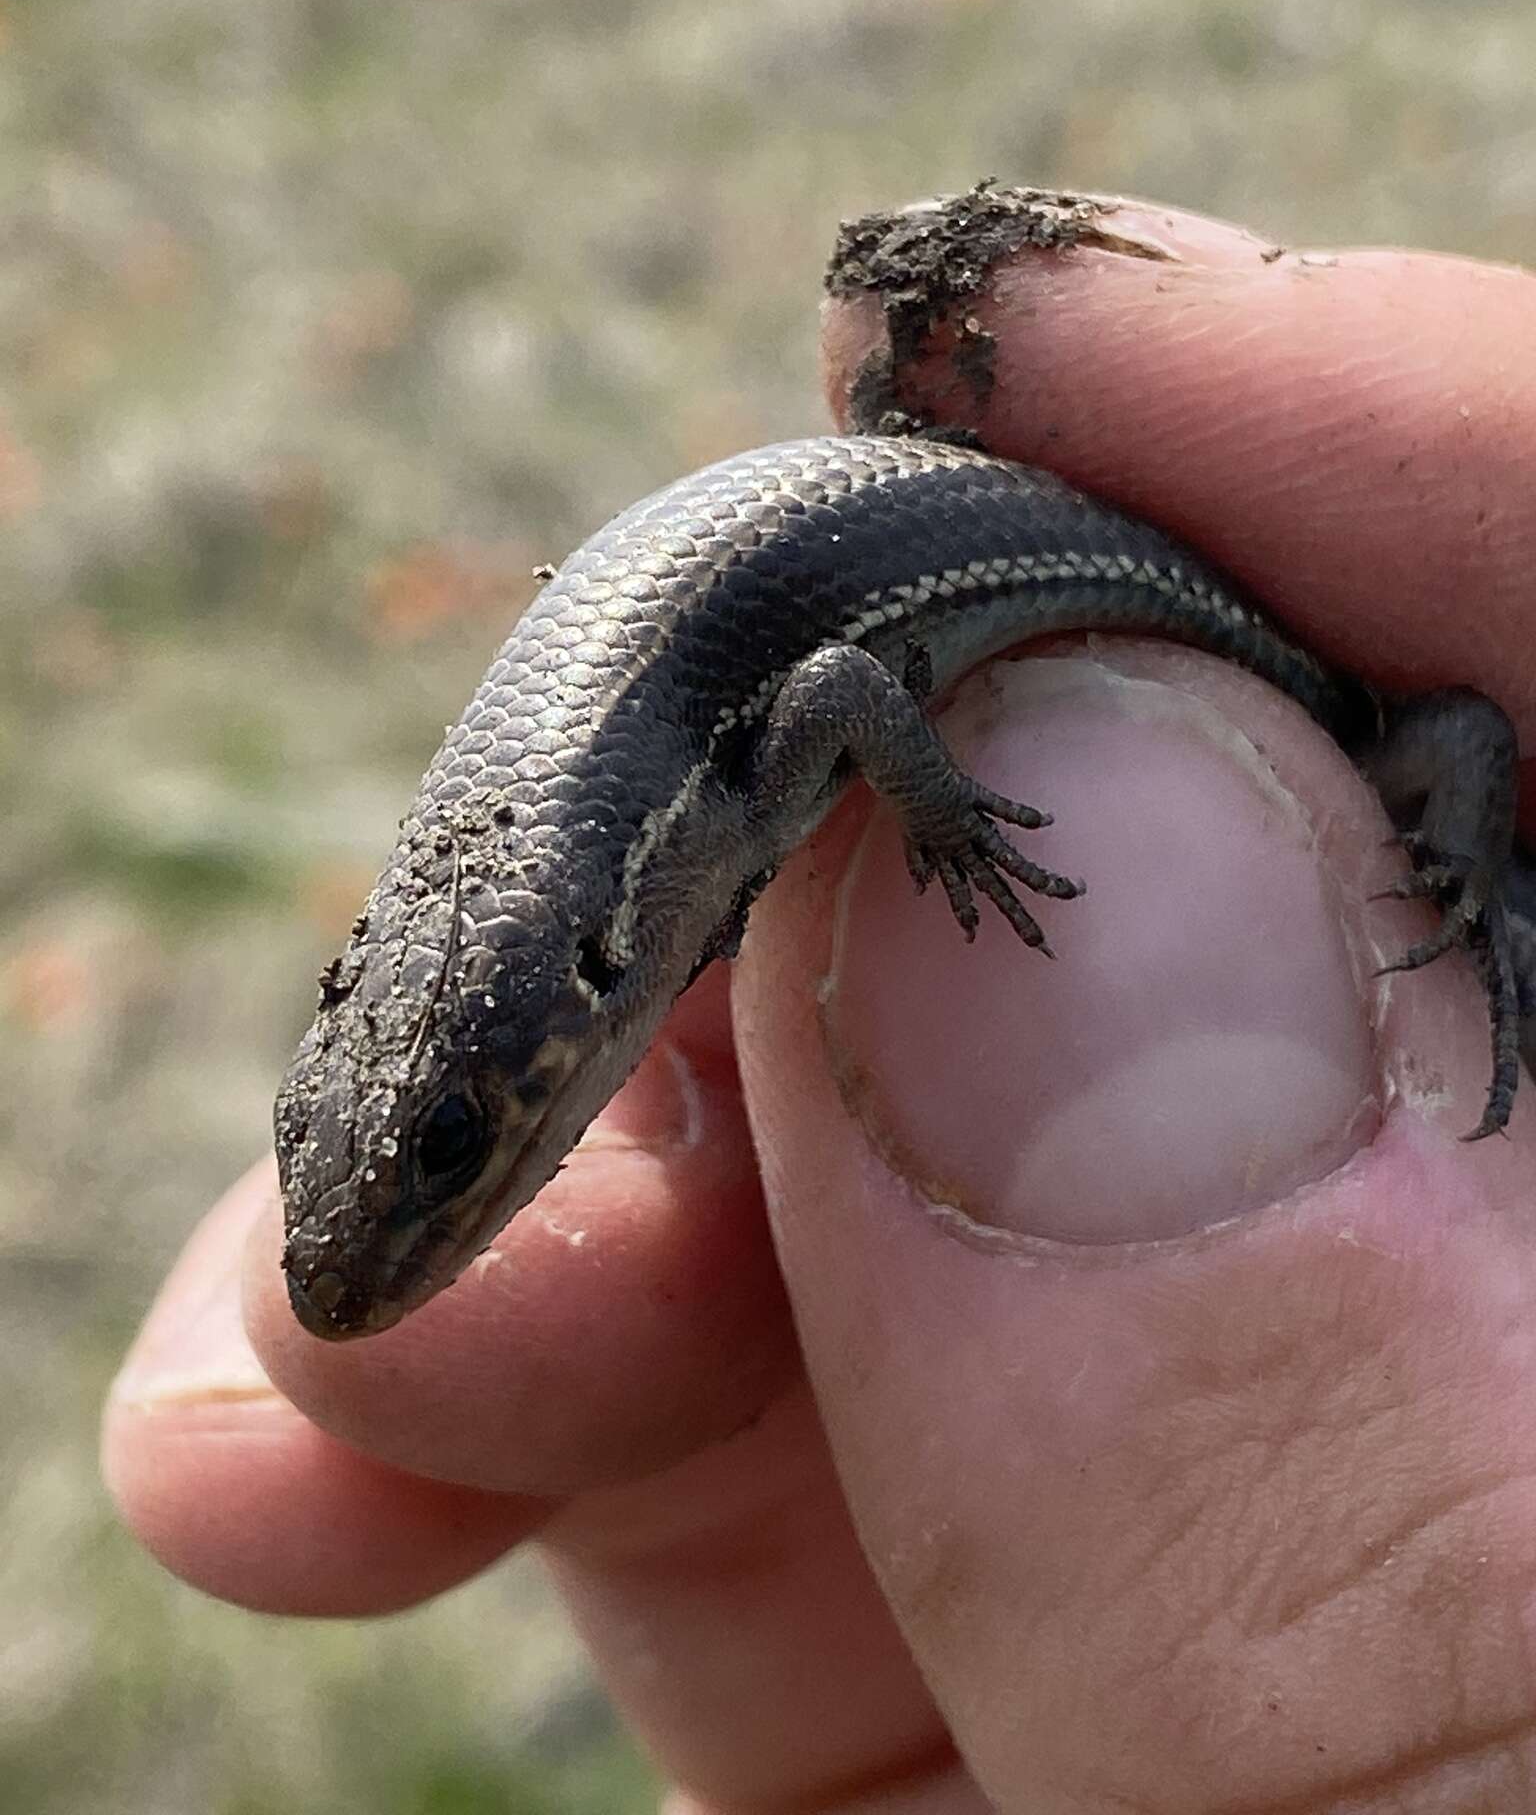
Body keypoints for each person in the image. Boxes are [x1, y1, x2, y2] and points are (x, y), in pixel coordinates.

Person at [104, 198, 1536, 1813]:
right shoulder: (591, 878)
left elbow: (845, 688)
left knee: (1440, 754)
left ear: (579, 994)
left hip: (1235, 642)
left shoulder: (645, 846)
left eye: (451, 1148)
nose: (409, 1239)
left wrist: (942, 819)